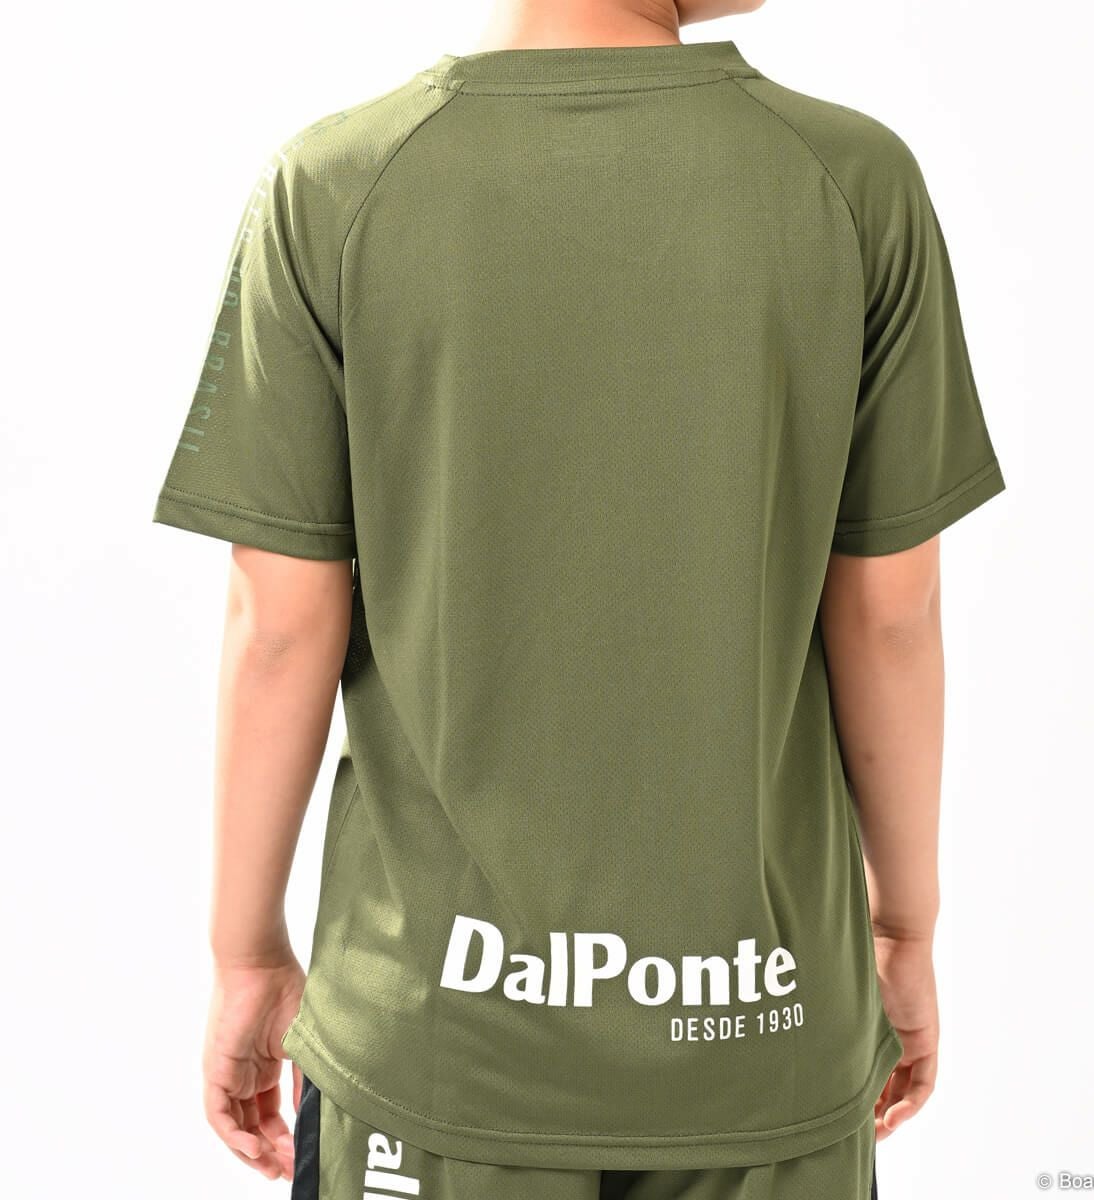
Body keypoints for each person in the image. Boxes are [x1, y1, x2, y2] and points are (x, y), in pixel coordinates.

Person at [151, 0, 1005, 1196]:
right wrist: (902, 927)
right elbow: (890, 615)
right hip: (760, 1027)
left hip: (438, 1035)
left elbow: (283, 627)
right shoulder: (852, 182)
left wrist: (245, 954)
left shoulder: (334, 187)